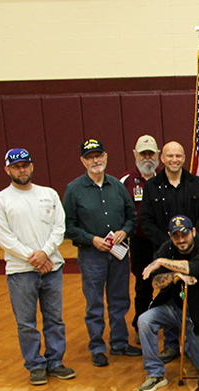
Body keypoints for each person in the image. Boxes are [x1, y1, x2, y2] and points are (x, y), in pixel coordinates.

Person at [0, 148, 76, 385]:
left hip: (52, 269)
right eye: (17, 167)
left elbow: (59, 227)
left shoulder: (48, 194)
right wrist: (34, 257)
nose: (22, 170)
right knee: (26, 323)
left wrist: (45, 253)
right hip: (21, 272)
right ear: (8, 170)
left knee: (54, 319)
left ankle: (55, 361)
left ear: (32, 166)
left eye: (25, 165)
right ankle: (35, 365)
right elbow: (4, 238)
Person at [63, 139, 141, 367]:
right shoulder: (74, 189)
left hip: (118, 252)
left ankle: (119, 343)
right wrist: (92, 239)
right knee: (94, 303)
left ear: (106, 157)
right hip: (91, 255)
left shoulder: (117, 186)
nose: (95, 161)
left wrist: (124, 232)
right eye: (90, 157)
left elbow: (131, 217)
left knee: (119, 299)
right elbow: (68, 226)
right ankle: (97, 347)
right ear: (83, 161)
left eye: (98, 156)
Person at [136, 215, 199, 391]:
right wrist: (174, 276)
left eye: (185, 235)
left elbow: (194, 268)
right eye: (176, 236)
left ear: (193, 232)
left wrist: (162, 262)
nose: (181, 240)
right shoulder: (168, 248)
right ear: (170, 236)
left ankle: (189, 344)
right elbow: (155, 282)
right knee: (144, 320)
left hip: (197, 314)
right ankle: (155, 374)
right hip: (173, 308)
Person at [120, 135, 160, 343]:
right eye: (143, 154)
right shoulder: (125, 181)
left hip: (162, 241)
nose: (147, 158)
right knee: (143, 286)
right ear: (135, 155)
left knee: (167, 282)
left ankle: (168, 325)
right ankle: (140, 325)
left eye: (151, 154)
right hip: (139, 242)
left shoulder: (164, 177)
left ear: (158, 156)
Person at [139, 141, 199, 248]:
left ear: (183, 158)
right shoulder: (151, 186)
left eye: (178, 156)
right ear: (162, 158)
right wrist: (169, 243)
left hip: (195, 248)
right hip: (163, 249)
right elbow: (146, 221)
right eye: (170, 156)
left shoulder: (196, 183)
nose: (174, 160)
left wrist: (189, 239)